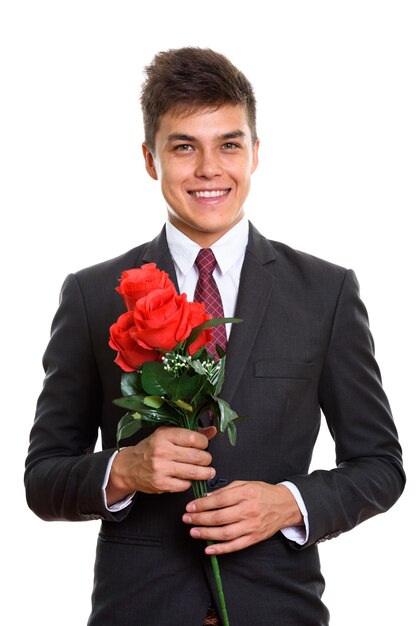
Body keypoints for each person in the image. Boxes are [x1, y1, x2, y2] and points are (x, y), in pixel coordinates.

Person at [25, 47, 405, 626]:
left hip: (279, 609)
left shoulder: (325, 292)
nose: (209, 169)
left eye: (229, 144)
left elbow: (380, 465)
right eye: (184, 147)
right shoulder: (91, 294)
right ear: (151, 160)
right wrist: (123, 470)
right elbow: (43, 479)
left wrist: (288, 504)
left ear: (255, 153)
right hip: (139, 612)